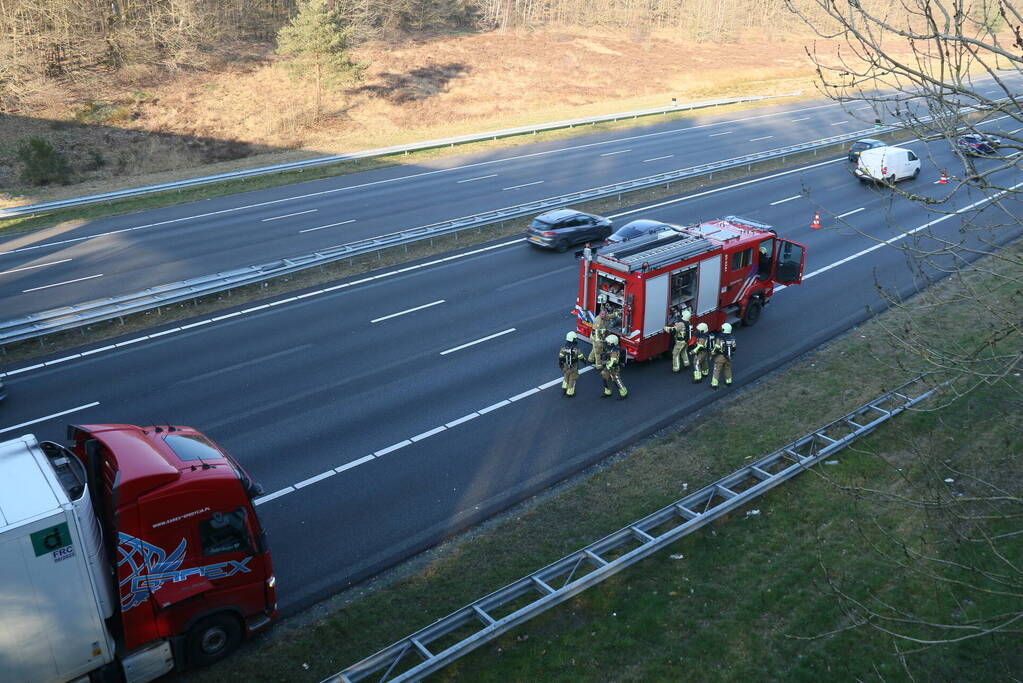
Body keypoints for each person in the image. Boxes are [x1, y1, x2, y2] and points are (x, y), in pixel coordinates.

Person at [558, 331, 587, 397]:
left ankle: (564, 388)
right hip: (573, 366)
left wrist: (560, 363)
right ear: (573, 339)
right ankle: (570, 393)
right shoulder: (576, 349)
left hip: (565, 365)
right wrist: (584, 361)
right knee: (572, 379)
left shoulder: (564, 348)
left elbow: (560, 356)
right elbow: (581, 357)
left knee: (566, 376)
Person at [710, 323, 737, 389]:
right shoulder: (732, 338)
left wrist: (712, 354)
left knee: (717, 370)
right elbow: (734, 348)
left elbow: (716, 348)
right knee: (727, 368)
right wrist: (731, 354)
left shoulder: (720, 338)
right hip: (728, 357)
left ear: (724, 329)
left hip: (720, 357)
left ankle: (714, 384)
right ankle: (728, 381)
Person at [600, 334, 628, 399]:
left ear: (612, 344)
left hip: (613, 369)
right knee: (605, 378)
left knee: (617, 380)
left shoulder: (615, 352)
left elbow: (613, 362)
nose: (606, 343)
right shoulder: (611, 348)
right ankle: (607, 392)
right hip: (608, 367)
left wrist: (606, 365)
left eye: (608, 343)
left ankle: (624, 393)